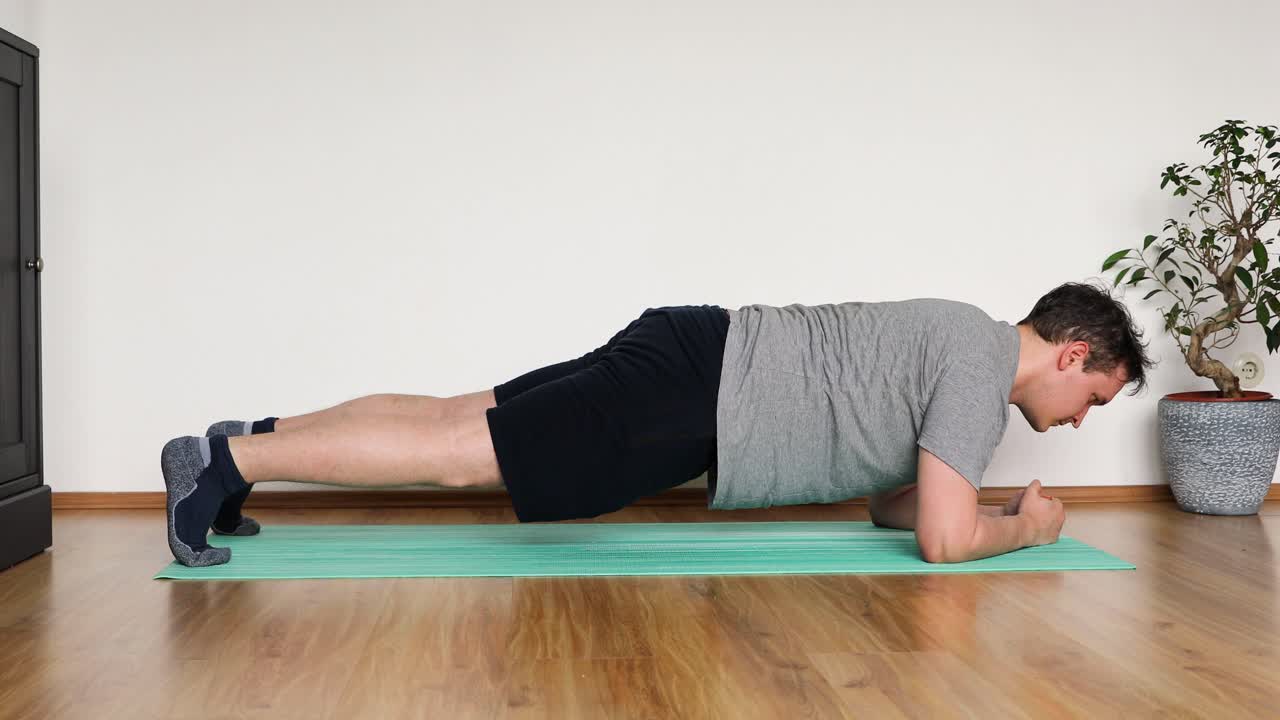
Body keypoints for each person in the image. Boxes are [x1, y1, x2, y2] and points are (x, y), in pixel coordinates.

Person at [162, 282, 1155, 567]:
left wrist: (970, 502)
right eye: (1092, 401)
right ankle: (225, 460)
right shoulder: (979, 370)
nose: (1076, 424)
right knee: (465, 457)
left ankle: (255, 441)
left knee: (459, 415)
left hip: (693, 356)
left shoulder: (964, 344)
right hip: (695, 396)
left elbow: (893, 514)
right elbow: (941, 541)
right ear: (1070, 355)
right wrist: (1024, 528)